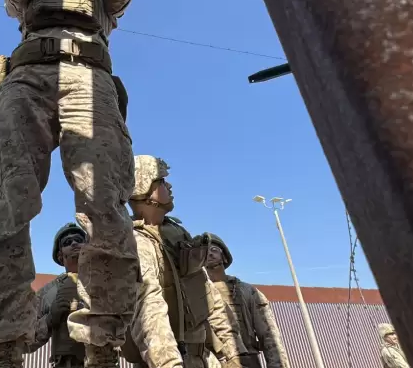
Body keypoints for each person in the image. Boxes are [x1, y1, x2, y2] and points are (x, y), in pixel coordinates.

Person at [0, 0, 139, 368]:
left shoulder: (103, 6)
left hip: (89, 83)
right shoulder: (27, 0)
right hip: (27, 81)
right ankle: (4, 339)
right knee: (11, 203)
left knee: (104, 202)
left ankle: (102, 342)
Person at [123, 155, 243, 368]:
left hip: (203, 356)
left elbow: (209, 297)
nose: (168, 185)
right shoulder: (135, 242)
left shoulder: (177, 234)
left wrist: (233, 355)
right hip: (167, 359)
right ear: (143, 187)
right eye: (160, 181)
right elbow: (148, 309)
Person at [201, 234, 289, 368]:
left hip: (246, 359)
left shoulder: (247, 291)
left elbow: (268, 335)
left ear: (224, 256)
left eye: (213, 249)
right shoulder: (194, 292)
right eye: (204, 251)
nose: (209, 254)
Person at [26, 223, 89, 367]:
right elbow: (26, 341)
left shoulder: (105, 285)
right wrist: (49, 319)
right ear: (60, 255)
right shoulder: (49, 292)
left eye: (79, 240)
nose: (74, 243)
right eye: (67, 242)